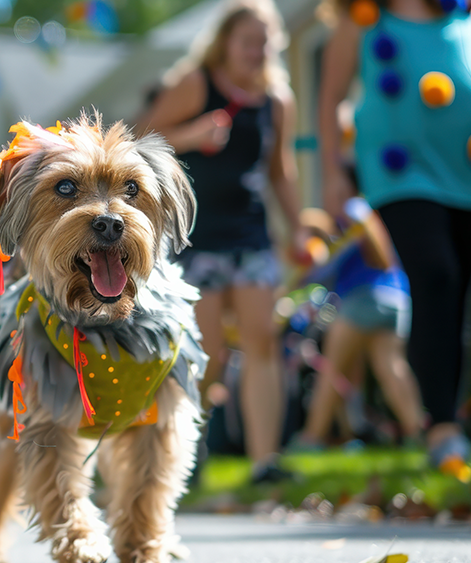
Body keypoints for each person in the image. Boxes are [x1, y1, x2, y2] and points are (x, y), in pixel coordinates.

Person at [144, 0, 308, 483]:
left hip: (251, 234)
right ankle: (185, 450)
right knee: (207, 350)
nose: (257, 51)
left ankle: (264, 461)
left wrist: (297, 226)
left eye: (264, 43)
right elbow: (145, 138)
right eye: (247, 42)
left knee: (262, 341)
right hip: (197, 236)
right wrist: (194, 133)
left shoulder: (277, 100)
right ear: (226, 43)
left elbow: (281, 170)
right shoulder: (196, 82)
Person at [318, 0, 471, 473]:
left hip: (463, 173)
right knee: (436, 275)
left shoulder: (462, 18)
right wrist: (332, 173)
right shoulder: (362, 18)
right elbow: (331, 98)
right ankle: (442, 429)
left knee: (458, 292)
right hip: (400, 175)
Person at [292, 198, 424, 449]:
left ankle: (310, 438)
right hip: (397, 297)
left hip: (363, 298)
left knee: (331, 369)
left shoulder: (352, 211)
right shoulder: (356, 221)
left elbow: (379, 257)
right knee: (391, 367)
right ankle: (417, 432)